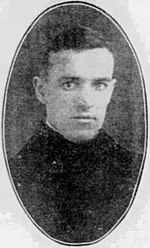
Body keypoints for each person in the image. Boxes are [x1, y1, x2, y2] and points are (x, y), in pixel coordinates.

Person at [9, 25, 142, 244]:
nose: (86, 102)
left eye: (99, 85)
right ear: (41, 90)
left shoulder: (137, 170)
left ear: (110, 91)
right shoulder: (14, 174)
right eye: (69, 84)